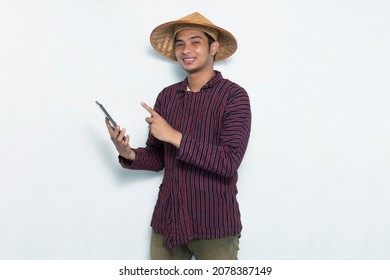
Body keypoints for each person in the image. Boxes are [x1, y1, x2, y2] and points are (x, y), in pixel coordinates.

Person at [105, 12, 251, 260]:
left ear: (213, 47)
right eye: (180, 43)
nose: (186, 50)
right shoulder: (167, 96)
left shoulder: (234, 96)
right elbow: (158, 157)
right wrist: (127, 152)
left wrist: (174, 136)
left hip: (214, 226)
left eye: (195, 42)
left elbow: (228, 162)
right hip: (168, 223)